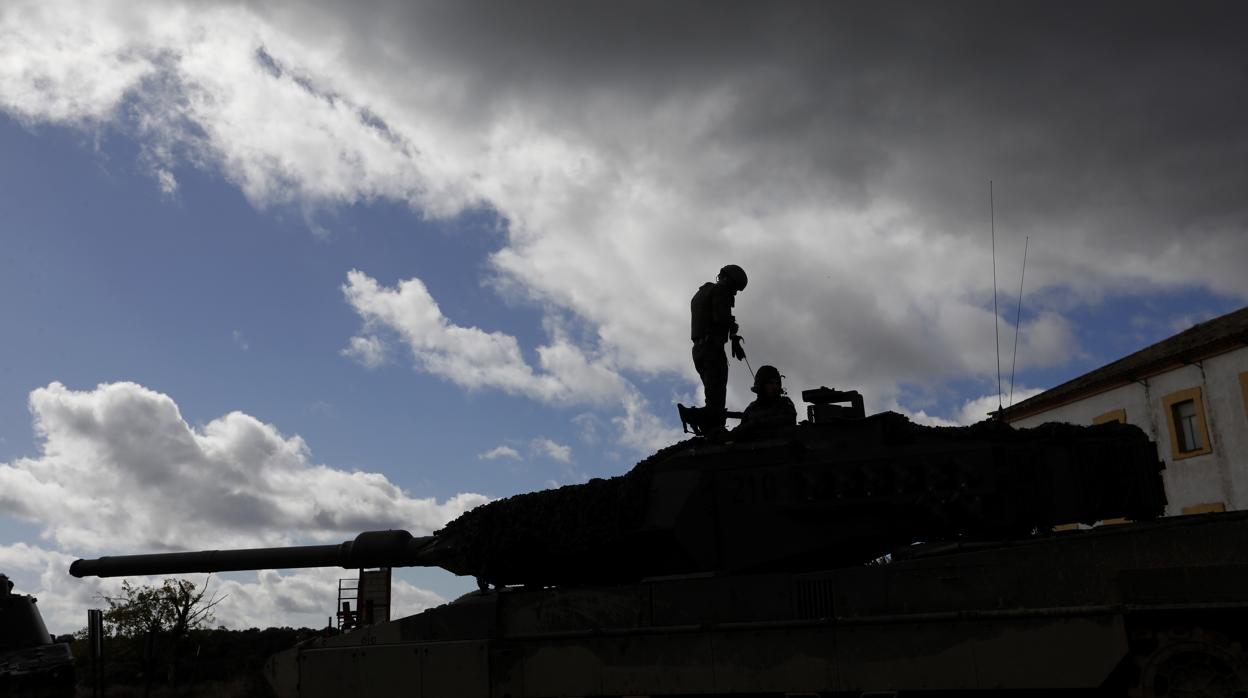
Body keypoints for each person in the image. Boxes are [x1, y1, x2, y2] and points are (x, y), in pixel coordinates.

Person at [690, 264, 748, 432]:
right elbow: (720, 318)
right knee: (716, 394)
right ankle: (714, 429)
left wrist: (732, 336)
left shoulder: (702, 293)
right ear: (729, 281)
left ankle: (710, 425)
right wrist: (732, 326)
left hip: (699, 350)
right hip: (712, 349)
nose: (735, 293)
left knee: (711, 393)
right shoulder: (721, 291)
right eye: (735, 288)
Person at [737, 365, 797, 432]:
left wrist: (756, 424)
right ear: (761, 384)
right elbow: (741, 429)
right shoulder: (752, 407)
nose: (775, 387)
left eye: (777, 383)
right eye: (770, 383)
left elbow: (788, 420)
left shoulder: (784, 402)